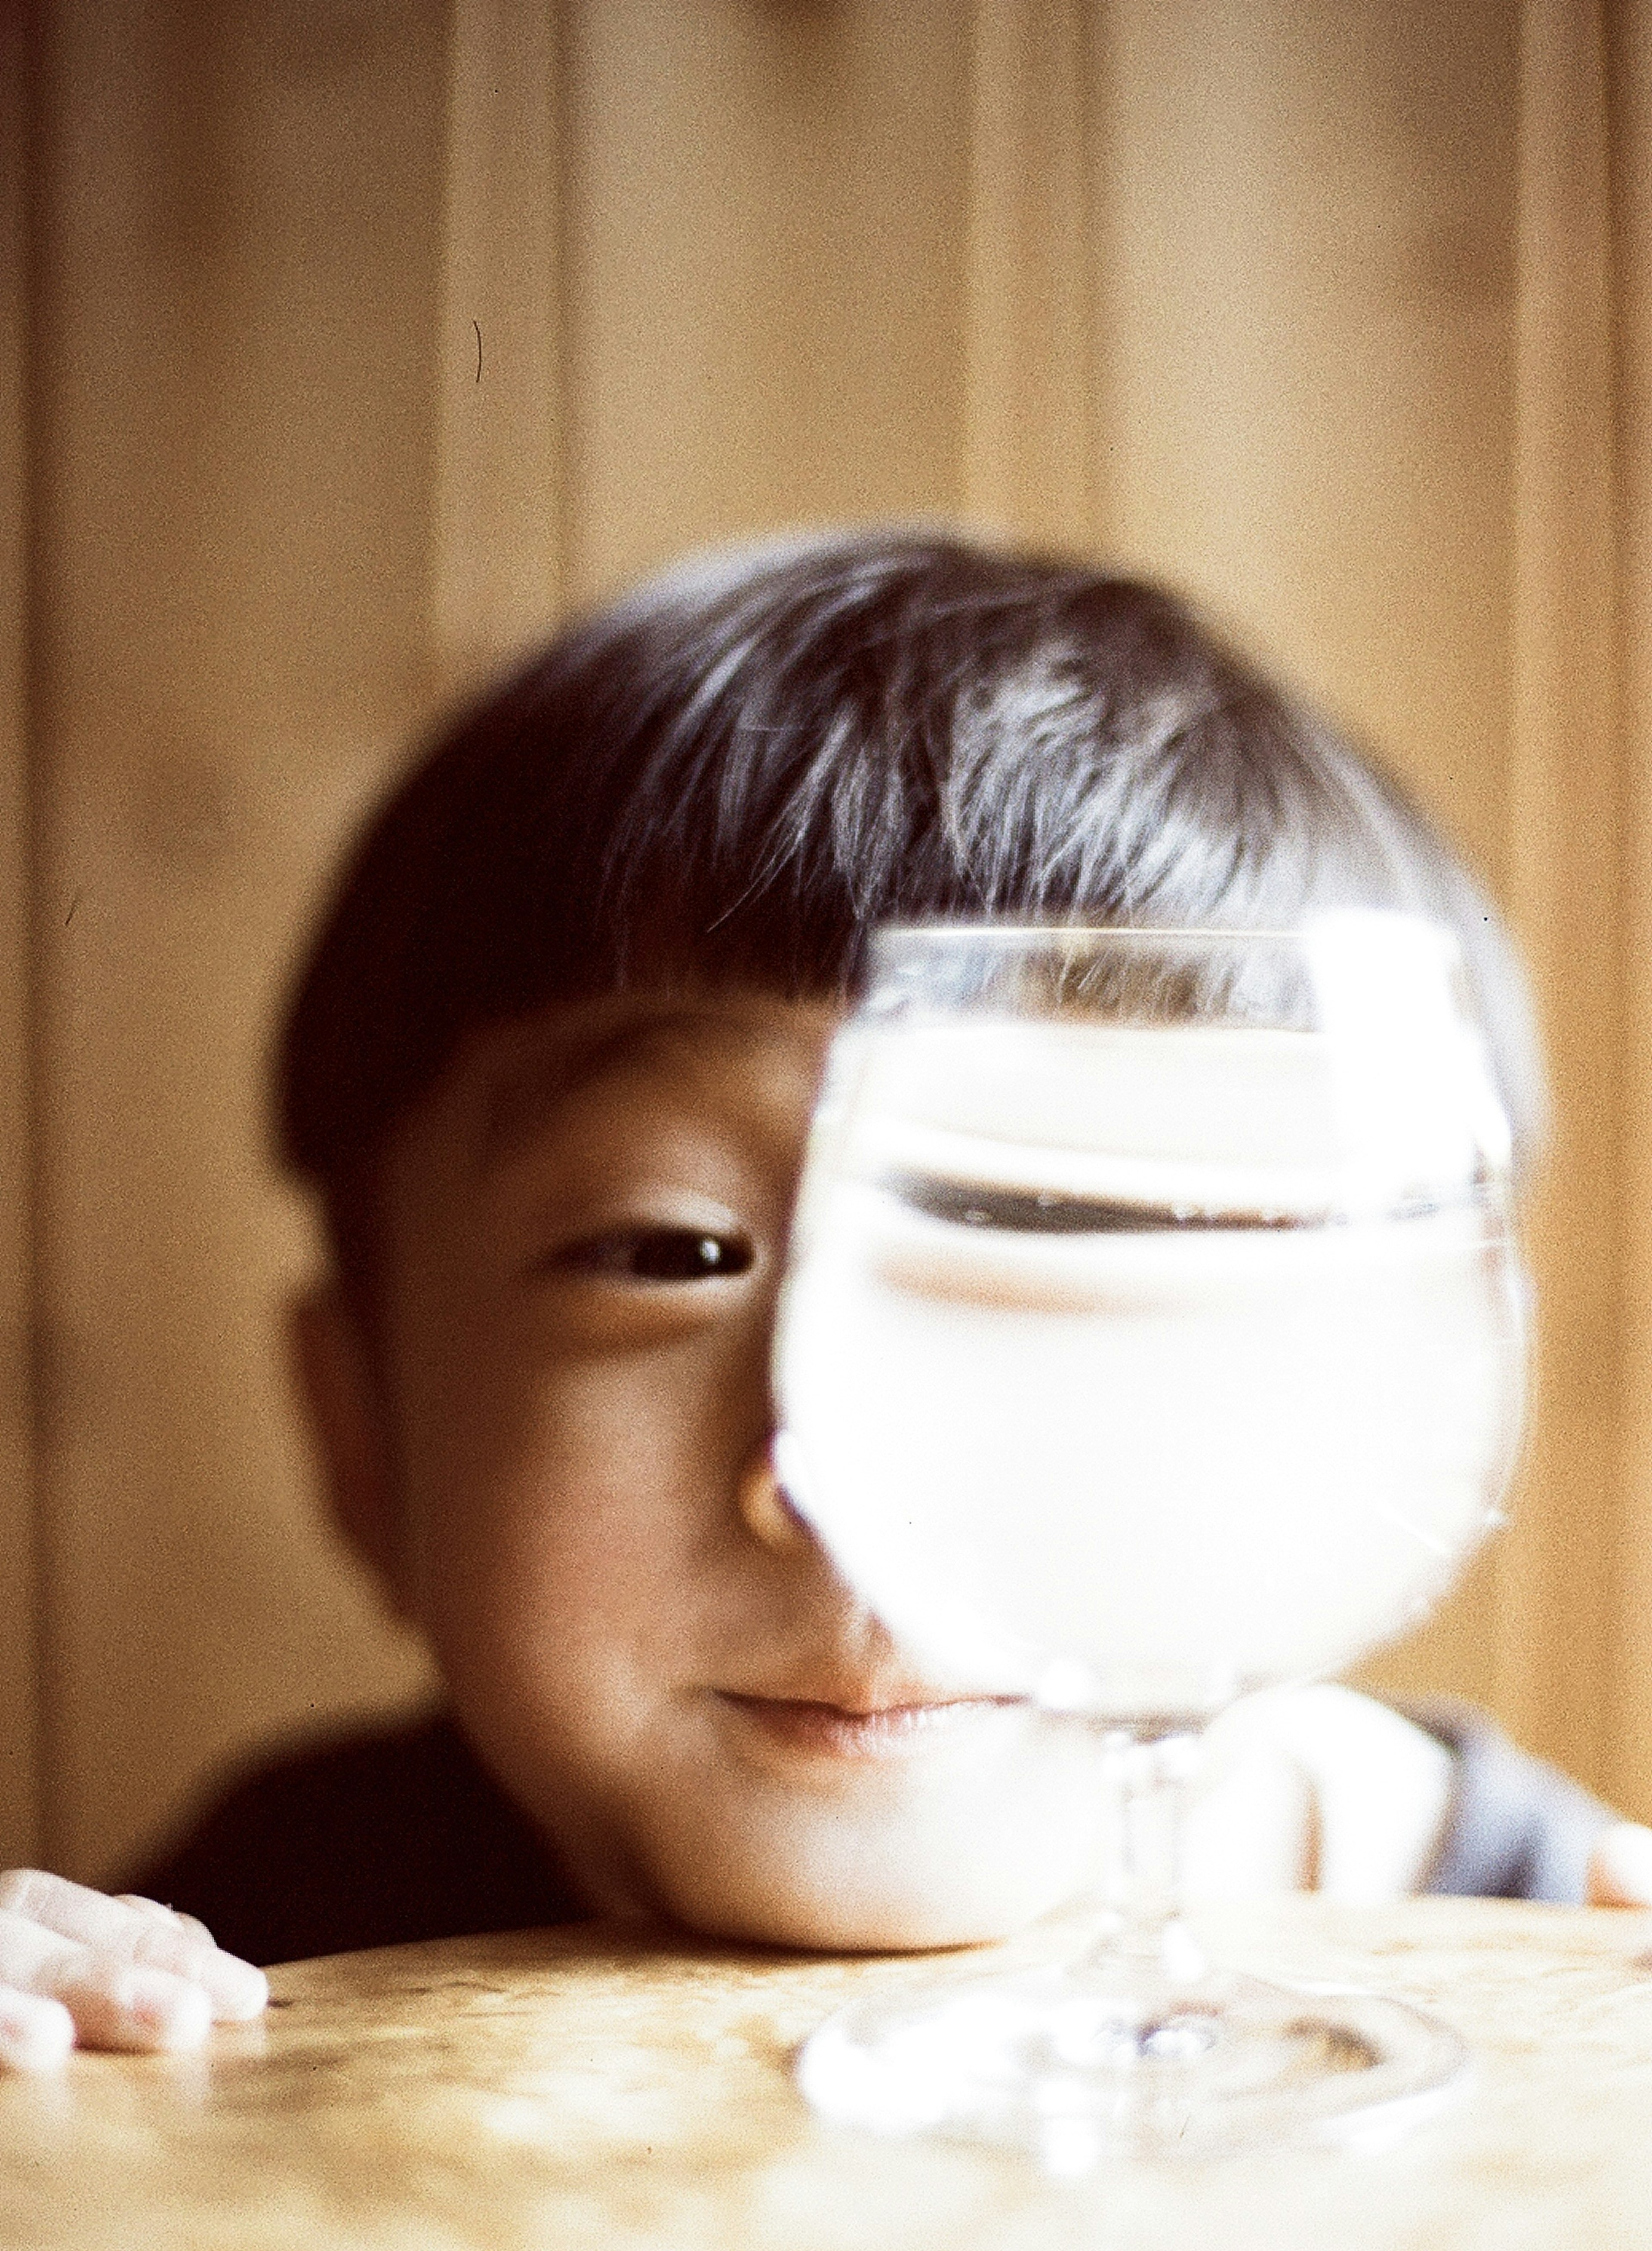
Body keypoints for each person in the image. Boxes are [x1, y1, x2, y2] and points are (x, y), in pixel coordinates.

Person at [3, 530, 1649, 2074]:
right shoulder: (268, 1924)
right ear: (359, 1424)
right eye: (674, 1251)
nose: (859, 1475)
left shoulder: (1541, 1921)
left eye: (1079, 1239)